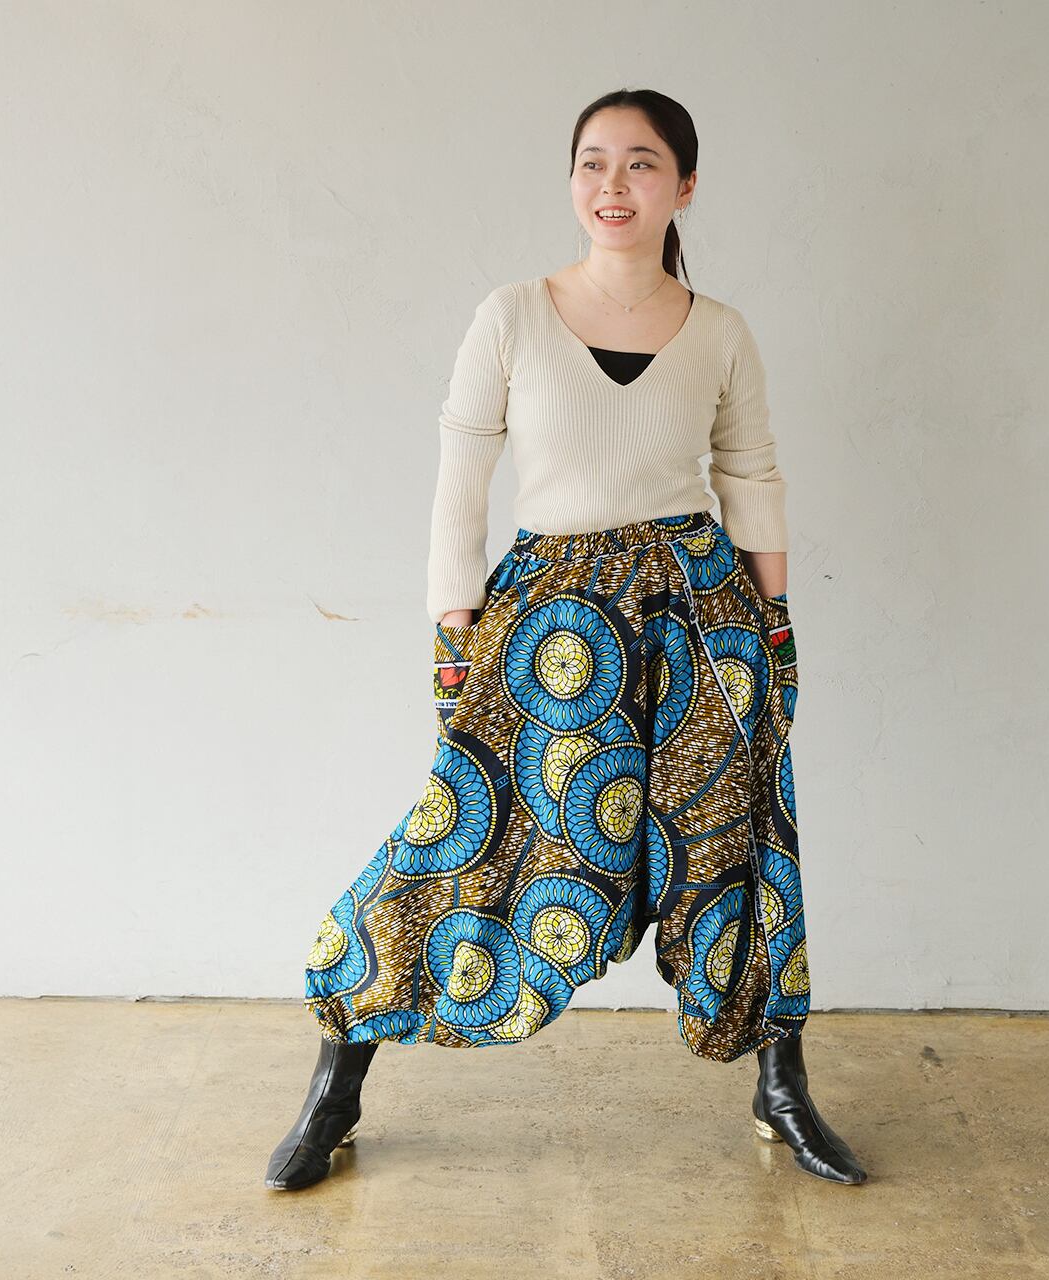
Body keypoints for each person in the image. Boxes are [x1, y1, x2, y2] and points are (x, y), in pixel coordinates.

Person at [265, 89, 868, 1191]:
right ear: (571, 180)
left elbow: (750, 474)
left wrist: (775, 632)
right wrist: (454, 627)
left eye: (641, 163)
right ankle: (337, 1078)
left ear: (684, 186)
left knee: (739, 843)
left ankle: (780, 1082)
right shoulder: (511, 315)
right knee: (468, 836)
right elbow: (462, 478)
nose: (612, 184)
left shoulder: (720, 331)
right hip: (552, 621)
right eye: (592, 161)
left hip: (701, 616)